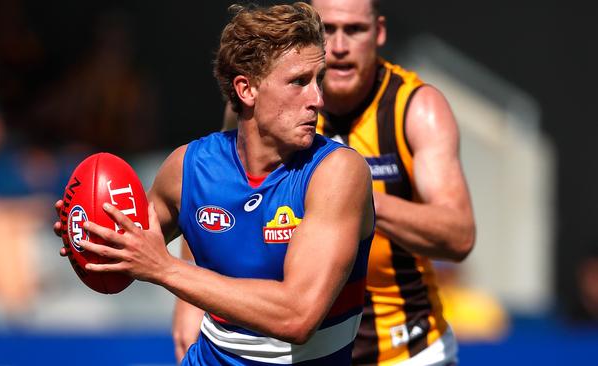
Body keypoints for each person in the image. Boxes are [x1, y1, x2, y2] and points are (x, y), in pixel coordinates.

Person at [54, 3, 374, 365]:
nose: (317, 98)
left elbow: (297, 316)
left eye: (319, 79)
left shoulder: (337, 172)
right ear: (246, 89)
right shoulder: (187, 168)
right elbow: (126, 255)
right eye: (299, 81)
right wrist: (84, 230)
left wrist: (167, 269)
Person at [177, 0, 476, 364]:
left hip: (403, 350)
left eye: (354, 30)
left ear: (379, 32)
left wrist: (354, 201)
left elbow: (458, 234)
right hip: (303, 353)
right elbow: (216, 199)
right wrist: (188, 305)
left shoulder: (415, 109)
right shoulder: (264, 110)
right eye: (327, 29)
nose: (338, 46)